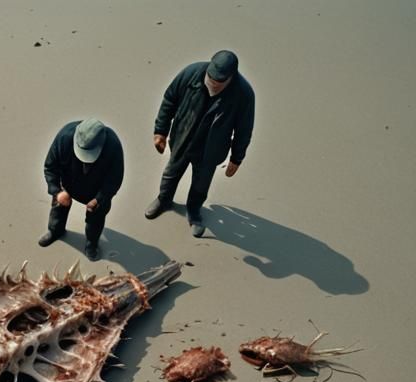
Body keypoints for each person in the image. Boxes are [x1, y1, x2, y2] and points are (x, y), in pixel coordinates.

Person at [145, 50, 254, 237]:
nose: (212, 83)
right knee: (171, 173)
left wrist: (236, 158)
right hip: (183, 138)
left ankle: (194, 211)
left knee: (201, 184)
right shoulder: (191, 73)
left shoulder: (244, 95)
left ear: (231, 77)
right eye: (210, 78)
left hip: (210, 150)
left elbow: (244, 131)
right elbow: (169, 99)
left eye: (219, 82)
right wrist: (160, 131)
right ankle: (164, 200)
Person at [38, 118, 124, 261]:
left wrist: (99, 199)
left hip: (96, 191)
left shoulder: (113, 146)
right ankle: (55, 231)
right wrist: (57, 191)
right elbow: (50, 167)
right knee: (58, 207)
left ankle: (92, 243)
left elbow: (114, 180)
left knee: (96, 218)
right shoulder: (64, 137)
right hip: (68, 184)